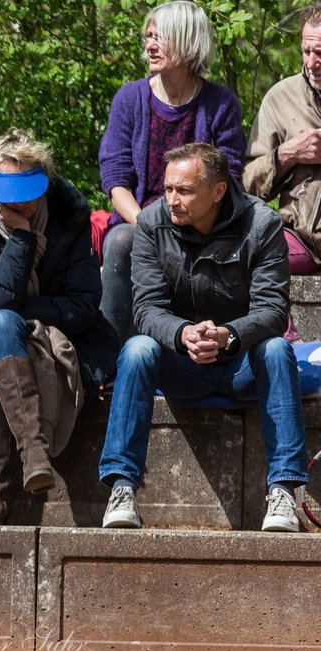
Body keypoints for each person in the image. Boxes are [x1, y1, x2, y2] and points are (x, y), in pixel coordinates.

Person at [98, 143, 307, 532]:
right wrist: (182, 334)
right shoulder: (151, 224)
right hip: (181, 364)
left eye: (185, 191)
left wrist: (229, 335)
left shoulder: (262, 224)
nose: (172, 200)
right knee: (137, 348)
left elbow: (273, 312)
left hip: (242, 363)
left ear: (218, 191)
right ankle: (122, 488)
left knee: (278, 349)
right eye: (168, 189)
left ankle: (284, 490)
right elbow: (145, 309)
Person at [0, 130, 118, 525]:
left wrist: (16, 309)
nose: (17, 200)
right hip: (6, 333)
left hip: (66, 338)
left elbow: (82, 305)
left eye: (26, 187)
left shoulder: (68, 218)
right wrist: (22, 239)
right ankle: (33, 455)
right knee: (1, 325)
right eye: (5, 190)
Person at [98, 0, 245, 342]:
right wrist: (148, 227)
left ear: (187, 40)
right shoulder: (129, 99)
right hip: (140, 221)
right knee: (119, 241)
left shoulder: (220, 104)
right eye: (148, 36)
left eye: (159, 37)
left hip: (203, 221)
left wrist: (190, 222)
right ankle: (109, 362)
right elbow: (116, 179)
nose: (149, 45)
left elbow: (229, 178)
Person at [244, 1, 321, 276]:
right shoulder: (281, 98)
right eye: (306, 51)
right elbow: (246, 185)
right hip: (303, 239)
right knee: (244, 258)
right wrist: (287, 154)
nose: (311, 63)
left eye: (320, 53)